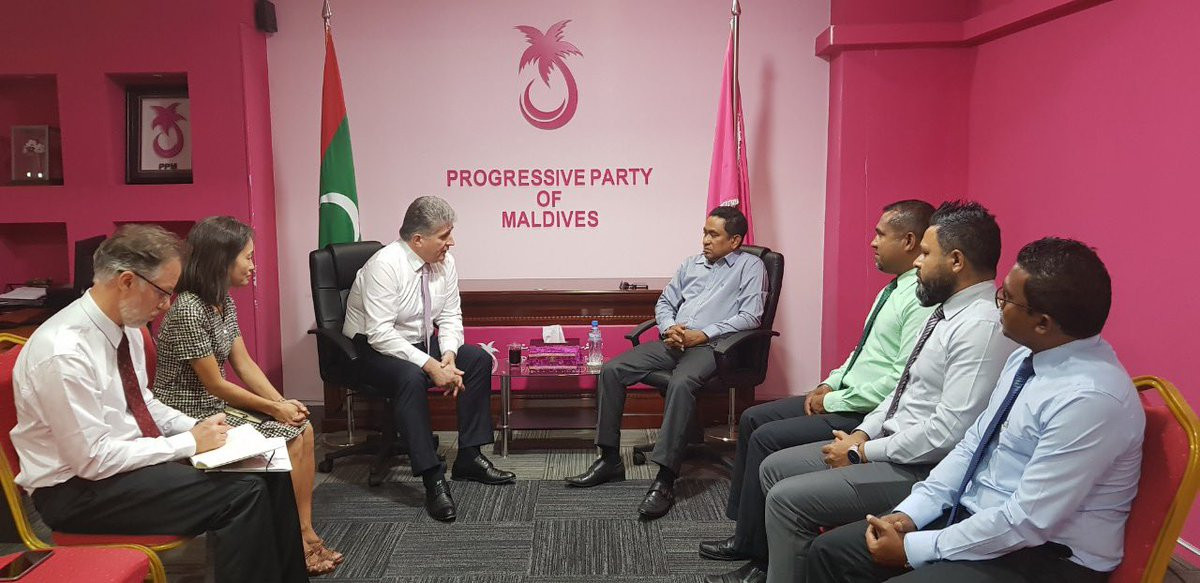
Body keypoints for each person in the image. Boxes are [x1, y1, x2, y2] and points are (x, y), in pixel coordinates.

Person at [710, 201, 1019, 583]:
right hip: (886, 441)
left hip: (920, 467)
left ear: (956, 261)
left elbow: (948, 435)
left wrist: (861, 451)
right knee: (773, 468)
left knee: (787, 499)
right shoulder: (945, 313)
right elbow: (903, 388)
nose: (918, 263)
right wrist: (863, 433)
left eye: (926, 254)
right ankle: (777, 566)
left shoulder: (979, 327)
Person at [805, 237, 1142, 583]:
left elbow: (1028, 520)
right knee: (832, 552)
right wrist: (912, 513)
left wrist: (914, 548)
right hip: (982, 515)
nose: (998, 304)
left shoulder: (1090, 400)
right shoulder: (1025, 359)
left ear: (1043, 323)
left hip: (1047, 554)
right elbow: (972, 446)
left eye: (1007, 298)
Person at [10, 224, 308, 583]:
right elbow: (93, 460)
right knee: (242, 495)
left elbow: (143, 402)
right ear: (126, 282)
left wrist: (197, 428)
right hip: (76, 491)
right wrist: (189, 443)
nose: (166, 304)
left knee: (269, 470)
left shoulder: (127, 328)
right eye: (163, 293)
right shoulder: (64, 353)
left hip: (123, 464)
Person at [699, 200, 936, 574]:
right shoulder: (891, 290)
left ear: (908, 241)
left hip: (863, 412)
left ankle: (761, 560)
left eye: (880, 234)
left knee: (766, 439)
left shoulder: (919, 300)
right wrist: (827, 383)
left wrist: (836, 399)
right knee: (753, 419)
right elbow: (861, 353)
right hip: (844, 395)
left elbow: (898, 380)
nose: (872, 242)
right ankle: (748, 537)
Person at [153, 216, 339, 575]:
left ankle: (304, 531)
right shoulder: (189, 310)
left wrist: (283, 404)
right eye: (249, 257)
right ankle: (297, 540)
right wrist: (274, 408)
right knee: (290, 436)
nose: (254, 266)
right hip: (190, 413)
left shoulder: (222, 301)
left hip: (216, 405)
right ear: (222, 260)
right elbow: (215, 384)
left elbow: (244, 363)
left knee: (302, 428)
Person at [566, 205, 767, 519]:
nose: (705, 240)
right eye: (704, 232)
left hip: (713, 347)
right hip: (675, 342)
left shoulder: (750, 267)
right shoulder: (691, 264)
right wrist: (669, 327)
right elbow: (665, 302)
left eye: (714, 235)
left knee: (681, 382)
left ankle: (665, 479)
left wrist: (703, 334)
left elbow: (751, 316)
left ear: (735, 241)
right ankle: (609, 459)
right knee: (612, 370)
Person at [343, 195, 515, 522]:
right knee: (410, 377)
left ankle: (469, 456)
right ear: (418, 239)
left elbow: (449, 315)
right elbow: (380, 334)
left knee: (476, 359)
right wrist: (430, 366)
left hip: (420, 341)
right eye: (444, 235)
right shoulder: (384, 266)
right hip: (371, 348)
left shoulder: (444, 262)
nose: (452, 242)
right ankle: (432, 477)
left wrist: (448, 355)